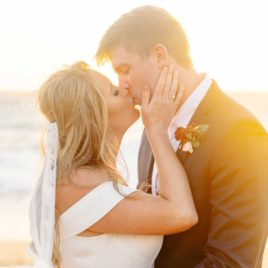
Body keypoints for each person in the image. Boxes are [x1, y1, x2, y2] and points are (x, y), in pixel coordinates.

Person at [95, 5, 268, 267]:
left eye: (125, 69)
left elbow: (232, 261)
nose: (122, 85)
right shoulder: (153, 126)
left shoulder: (240, 134)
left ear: (160, 55)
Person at [29, 61, 198, 268]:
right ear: (95, 116)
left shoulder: (87, 177)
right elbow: (181, 214)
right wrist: (156, 130)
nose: (125, 88)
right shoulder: (77, 183)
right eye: (115, 92)